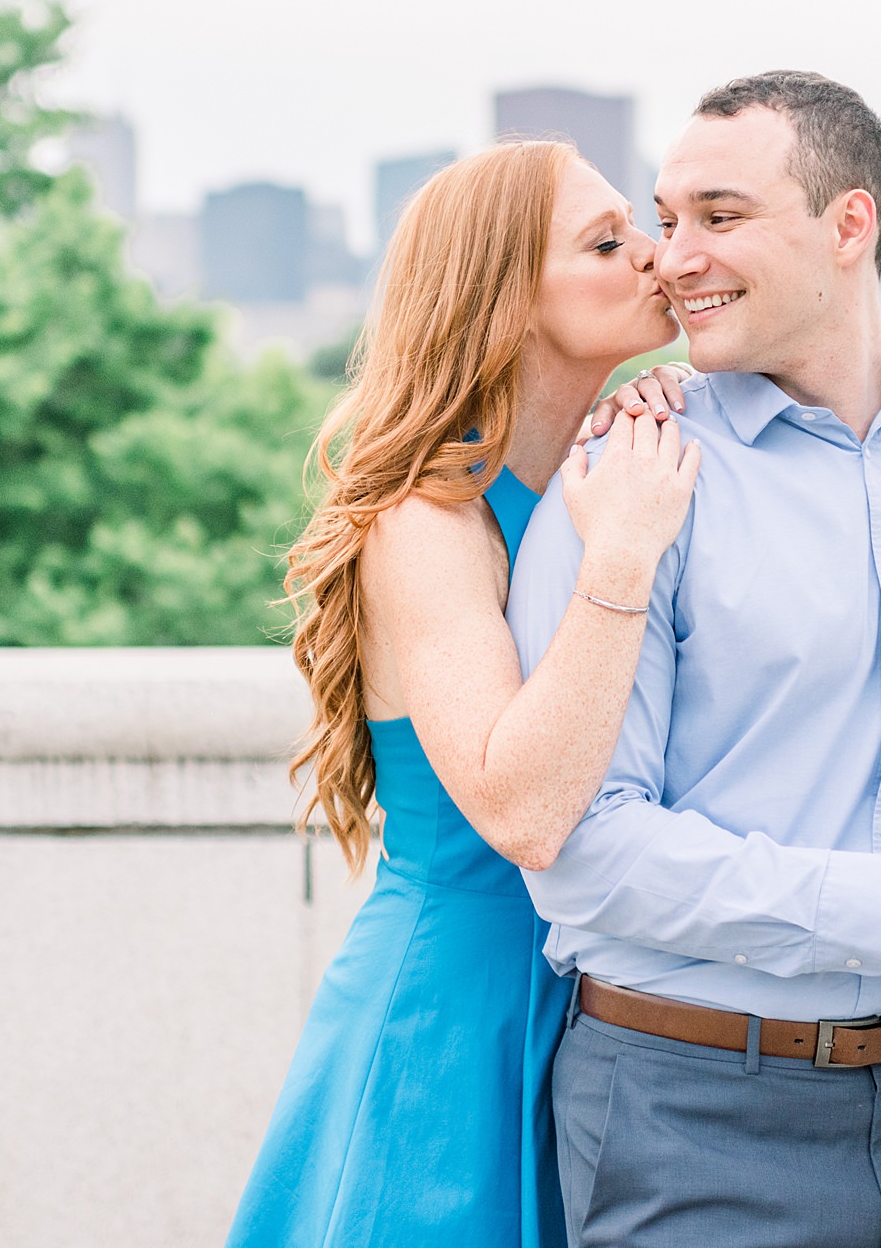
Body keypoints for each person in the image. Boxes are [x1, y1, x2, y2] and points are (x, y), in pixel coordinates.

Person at [506, 72, 881, 1248]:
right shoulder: (631, 474)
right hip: (686, 1108)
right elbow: (581, 850)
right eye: (665, 219)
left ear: (850, 225)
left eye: (719, 217)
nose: (674, 257)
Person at [227, 140, 701, 1248]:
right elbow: (522, 810)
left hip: (593, 1010)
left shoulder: (594, 473)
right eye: (605, 241)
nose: (655, 254)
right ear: (504, 297)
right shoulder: (425, 522)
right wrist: (621, 558)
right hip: (453, 1017)